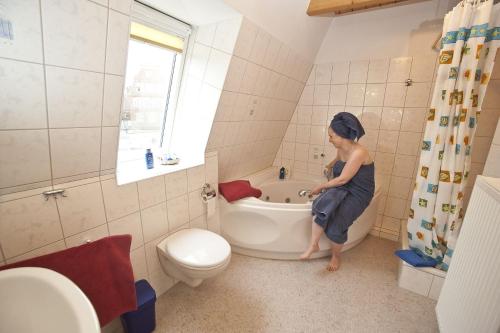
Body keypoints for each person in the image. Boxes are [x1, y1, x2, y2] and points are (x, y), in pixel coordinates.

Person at [300, 112, 375, 272]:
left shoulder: (359, 152)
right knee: (321, 207)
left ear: (342, 136)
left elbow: (342, 179)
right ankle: (314, 245)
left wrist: (321, 187)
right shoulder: (341, 147)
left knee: (337, 224)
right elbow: (338, 161)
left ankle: (336, 257)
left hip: (358, 192)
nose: (330, 139)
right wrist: (330, 165)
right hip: (343, 186)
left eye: (332, 136)